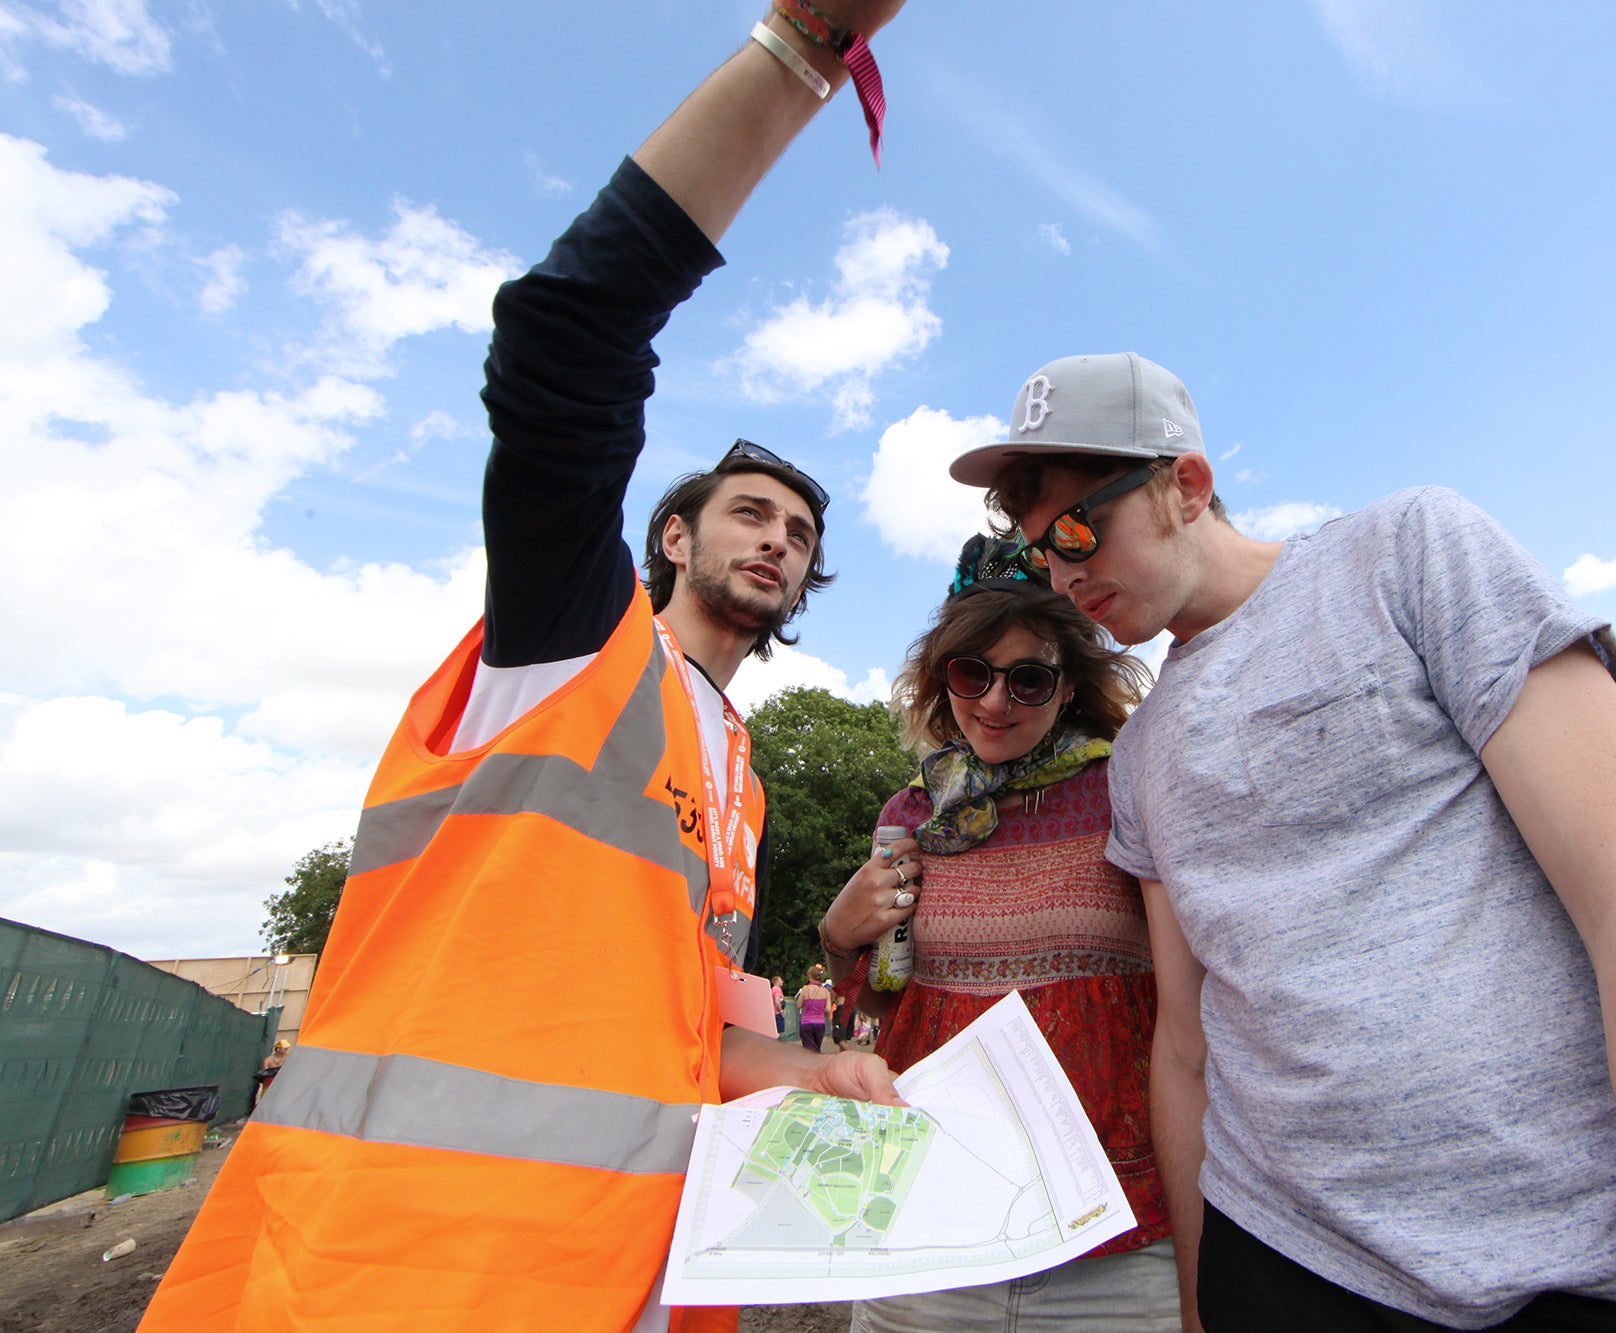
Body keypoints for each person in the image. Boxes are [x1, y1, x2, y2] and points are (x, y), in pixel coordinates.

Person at [141, 9, 907, 1331]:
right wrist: (807, 44)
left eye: (802, 533)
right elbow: (565, 335)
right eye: (749, 515)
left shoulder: (739, 777)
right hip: (392, 1276)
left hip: (638, 1278)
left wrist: (811, 1068)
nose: (779, 541)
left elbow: (677, 1037)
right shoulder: (572, 641)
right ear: (672, 535)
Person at [951, 353, 1616, 1332]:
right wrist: (1201, 1298)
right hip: (1282, 1262)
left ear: (1185, 486)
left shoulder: (1408, 555)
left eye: (1081, 528)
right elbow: (1185, 1045)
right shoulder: (1140, 756)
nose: (1064, 570)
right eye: (1044, 549)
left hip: (1571, 1268)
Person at [819, 533, 1174, 1332]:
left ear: (1072, 683)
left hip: (1112, 1242)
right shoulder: (911, 814)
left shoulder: (1130, 788)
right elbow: (883, 1014)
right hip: (932, 1231)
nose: (993, 701)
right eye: (971, 671)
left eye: (1029, 677)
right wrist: (839, 939)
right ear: (942, 676)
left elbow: (1192, 1009)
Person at [796, 965, 834, 1053]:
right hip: (820, 1023)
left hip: (806, 1023)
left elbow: (799, 1005)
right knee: (817, 1048)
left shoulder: (805, 989)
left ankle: (812, 1065)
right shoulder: (826, 991)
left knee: (809, 1050)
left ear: (810, 977)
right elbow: (828, 1009)